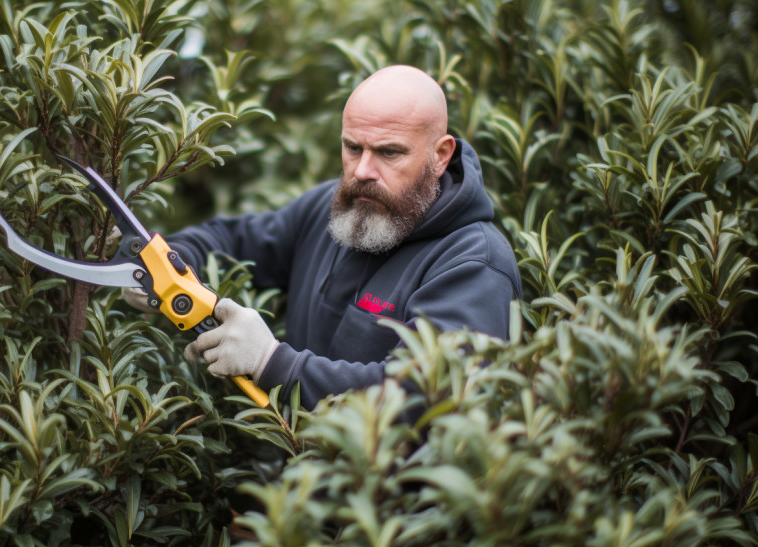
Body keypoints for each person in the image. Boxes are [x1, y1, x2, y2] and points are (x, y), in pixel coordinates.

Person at [124, 65, 522, 410]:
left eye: (389, 153)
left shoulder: (474, 264)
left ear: (440, 156)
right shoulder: (335, 210)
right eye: (353, 147)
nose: (363, 170)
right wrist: (170, 261)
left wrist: (272, 363)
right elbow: (235, 240)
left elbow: (424, 399)